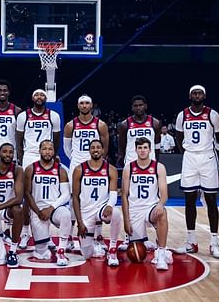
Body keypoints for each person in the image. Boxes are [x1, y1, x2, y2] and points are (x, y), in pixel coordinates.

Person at [174, 85, 219, 258]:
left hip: (208, 157)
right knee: (189, 199)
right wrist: (185, 152)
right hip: (190, 157)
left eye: (199, 93)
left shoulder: (213, 114)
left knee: (211, 199)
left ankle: (214, 242)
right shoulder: (182, 115)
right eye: (194, 93)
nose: (196, 95)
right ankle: (191, 241)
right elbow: (178, 136)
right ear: (189, 96)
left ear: (204, 95)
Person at [63, 94, 110, 255]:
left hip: (95, 164)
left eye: (87, 103)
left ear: (91, 106)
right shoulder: (70, 125)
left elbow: (105, 146)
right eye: (81, 103)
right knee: (72, 199)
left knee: (98, 199)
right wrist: (78, 159)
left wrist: (96, 161)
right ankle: (68, 238)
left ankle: (97, 237)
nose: (84, 106)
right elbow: (67, 149)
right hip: (77, 164)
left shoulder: (100, 125)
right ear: (78, 106)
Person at [16, 89, 61, 249]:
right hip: (29, 155)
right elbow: (19, 140)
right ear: (32, 97)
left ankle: (44, 235)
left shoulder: (53, 116)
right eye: (36, 95)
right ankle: (25, 232)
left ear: (46, 98)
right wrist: (21, 160)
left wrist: (52, 154)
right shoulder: (23, 116)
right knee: (27, 197)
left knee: (45, 196)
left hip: (46, 154)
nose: (39, 97)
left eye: (42, 95)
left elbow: (56, 139)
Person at [121, 137, 173, 271]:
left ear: (150, 150)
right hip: (134, 210)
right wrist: (126, 219)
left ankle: (161, 254)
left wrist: (160, 204)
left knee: (163, 213)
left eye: (145, 147)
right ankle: (150, 244)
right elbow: (124, 196)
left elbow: (164, 194)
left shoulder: (159, 167)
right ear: (136, 150)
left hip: (151, 208)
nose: (142, 150)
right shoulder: (129, 168)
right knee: (137, 254)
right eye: (140, 148)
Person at [117, 95, 161, 251]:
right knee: (129, 199)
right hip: (131, 165)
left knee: (152, 199)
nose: (138, 108)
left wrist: (156, 164)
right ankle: (129, 236)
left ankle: (154, 238)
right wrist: (123, 160)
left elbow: (156, 145)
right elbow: (122, 146)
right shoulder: (124, 125)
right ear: (132, 108)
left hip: (150, 165)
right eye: (135, 105)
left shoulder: (155, 123)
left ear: (146, 106)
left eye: (140, 105)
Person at [71, 139, 122, 266]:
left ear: (103, 150)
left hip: (101, 209)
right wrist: (79, 222)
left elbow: (114, 193)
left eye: (98, 147)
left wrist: (109, 205)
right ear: (89, 150)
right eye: (93, 147)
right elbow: (75, 198)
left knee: (115, 213)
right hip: (86, 213)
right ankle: (94, 244)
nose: (95, 150)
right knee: (87, 254)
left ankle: (112, 249)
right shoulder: (79, 169)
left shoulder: (111, 169)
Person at [24, 140, 72, 266]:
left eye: (50, 149)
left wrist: (51, 208)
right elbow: (27, 193)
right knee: (42, 254)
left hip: (54, 208)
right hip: (37, 210)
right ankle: (44, 242)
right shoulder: (30, 169)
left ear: (54, 151)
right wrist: (37, 212)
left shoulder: (61, 170)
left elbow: (66, 194)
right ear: (39, 151)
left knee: (66, 214)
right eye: (44, 149)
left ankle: (61, 250)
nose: (47, 151)